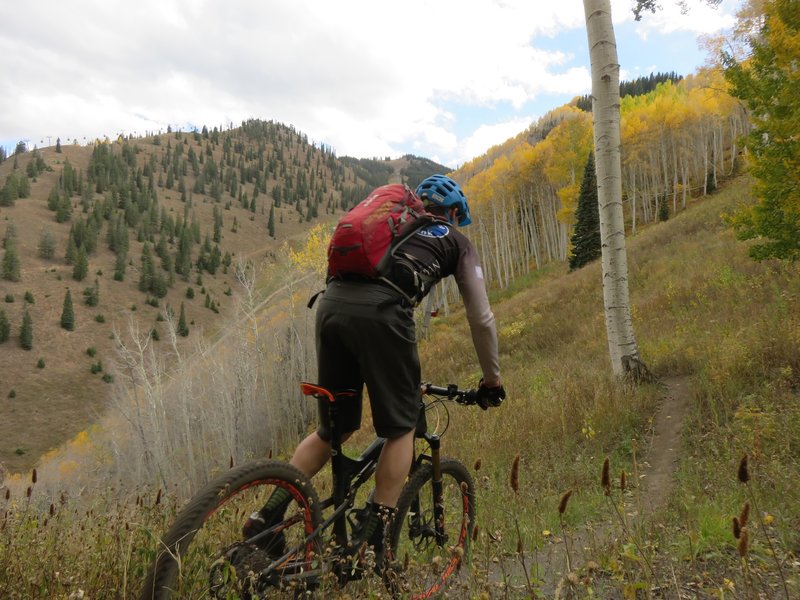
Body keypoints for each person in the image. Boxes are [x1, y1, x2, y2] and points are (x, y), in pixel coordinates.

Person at [244, 174, 505, 562]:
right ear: (453, 213)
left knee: (333, 429)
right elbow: (481, 318)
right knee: (401, 428)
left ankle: (266, 517)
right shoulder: (457, 241)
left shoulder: (394, 224)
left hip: (331, 306)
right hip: (382, 314)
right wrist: (492, 380)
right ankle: (372, 535)